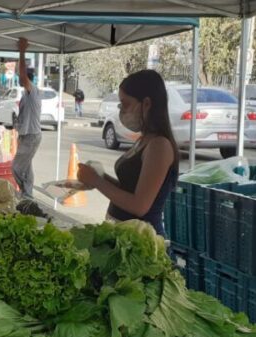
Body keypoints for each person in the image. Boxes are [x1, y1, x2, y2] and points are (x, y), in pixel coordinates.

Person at [76, 69, 179, 237]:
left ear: (146, 104)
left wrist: (96, 180)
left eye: (125, 104)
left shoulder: (159, 146)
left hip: (141, 242)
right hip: (123, 236)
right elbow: (129, 189)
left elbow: (140, 205)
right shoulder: (143, 140)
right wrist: (100, 177)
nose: (121, 110)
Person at [12, 37, 42, 199]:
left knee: (17, 168)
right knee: (26, 168)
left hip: (31, 136)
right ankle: (28, 197)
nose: (19, 78)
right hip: (27, 136)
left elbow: (22, 76)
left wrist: (22, 52)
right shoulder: (27, 94)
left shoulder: (32, 91)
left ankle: (26, 196)